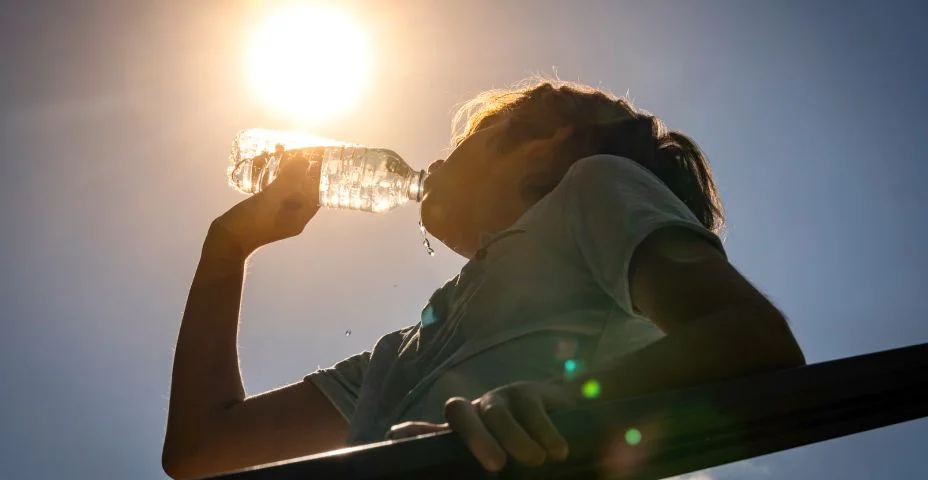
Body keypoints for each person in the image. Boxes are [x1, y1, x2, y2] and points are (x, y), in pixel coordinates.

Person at [161, 80, 806, 479]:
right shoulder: (404, 353)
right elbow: (200, 449)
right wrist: (229, 245)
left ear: (544, 141)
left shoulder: (596, 186)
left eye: (477, 130)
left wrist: (566, 404)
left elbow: (753, 340)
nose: (441, 156)